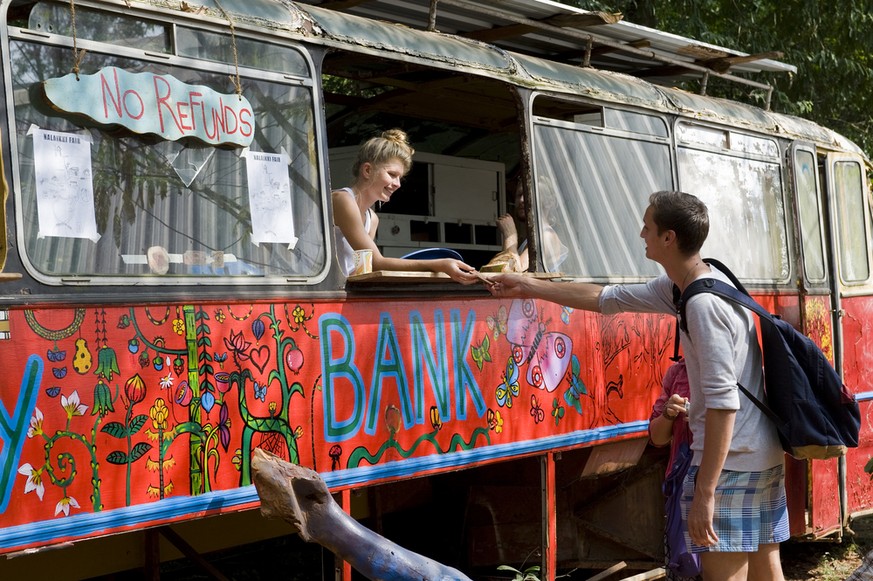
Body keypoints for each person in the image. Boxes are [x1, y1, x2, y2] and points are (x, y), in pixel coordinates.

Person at [487, 190, 787, 581]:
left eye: (648, 227)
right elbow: (604, 298)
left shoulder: (701, 305)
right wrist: (527, 286)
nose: (640, 233)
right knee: (767, 568)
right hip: (761, 453)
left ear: (669, 238)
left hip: (731, 462)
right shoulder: (693, 285)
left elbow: (722, 404)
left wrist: (705, 490)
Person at [331, 129, 478, 284]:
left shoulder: (372, 219)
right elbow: (377, 262)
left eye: (400, 178)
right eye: (392, 174)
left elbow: (361, 269)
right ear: (367, 170)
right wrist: (439, 264)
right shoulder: (343, 200)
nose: (397, 184)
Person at [484, 174, 567, 273]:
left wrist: (510, 235)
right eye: (519, 195)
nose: (522, 200)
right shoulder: (534, 237)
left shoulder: (546, 236)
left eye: (529, 194)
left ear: (550, 202)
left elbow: (512, 274)